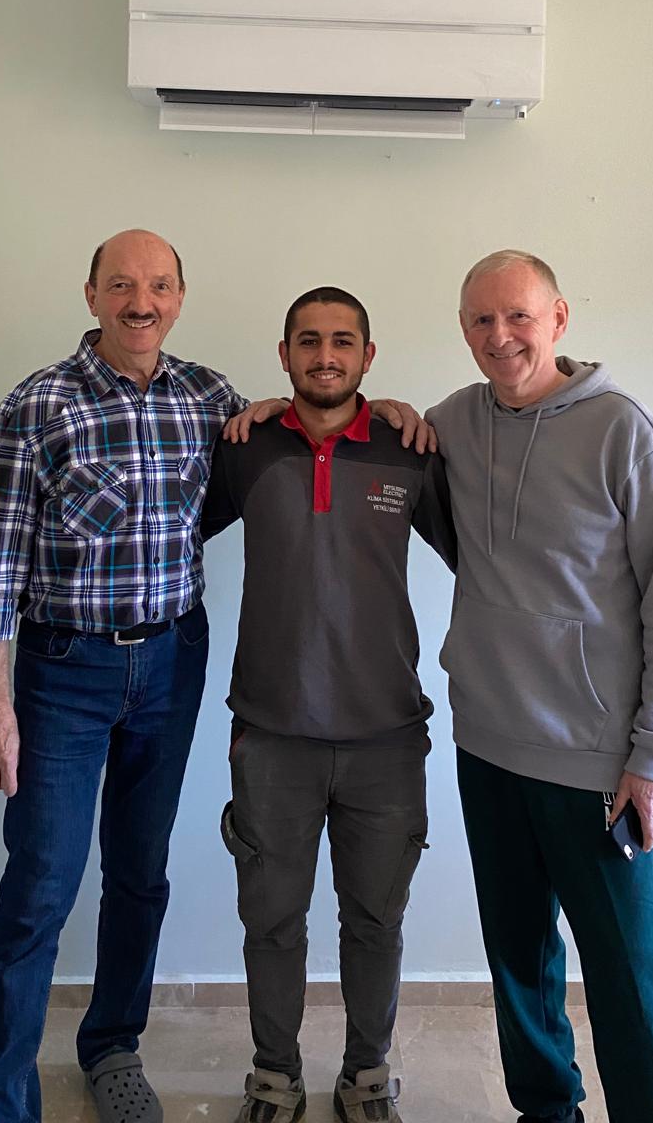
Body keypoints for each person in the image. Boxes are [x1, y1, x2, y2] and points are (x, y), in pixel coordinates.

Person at [0, 230, 427, 1123]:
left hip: (173, 663)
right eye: (122, 285)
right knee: (41, 887)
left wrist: (389, 410)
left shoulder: (211, 400)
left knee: (141, 873)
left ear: (179, 297)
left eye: (159, 286)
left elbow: (311, 425)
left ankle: (112, 1049)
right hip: (65, 669)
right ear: (91, 295)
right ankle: (3, 1105)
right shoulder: (37, 404)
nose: (141, 303)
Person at [427, 250, 653, 1123]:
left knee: (628, 971)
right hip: (488, 745)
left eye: (518, 315)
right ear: (463, 328)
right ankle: (546, 1110)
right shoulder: (453, 423)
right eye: (481, 319)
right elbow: (366, 440)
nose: (500, 335)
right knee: (518, 958)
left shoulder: (624, 432)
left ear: (558, 318)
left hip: (598, 763)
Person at [202, 287, 455, 1123]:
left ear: (367, 357)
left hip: (388, 737)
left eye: (343, 341)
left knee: (375, 922)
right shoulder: (245, 448)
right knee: (271, 923)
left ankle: (367, 1074)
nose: (325, 356)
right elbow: (167, 535)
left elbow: (485, 562)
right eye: (308, 341)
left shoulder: (408, 450)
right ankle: (274, 1075)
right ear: (284, 355)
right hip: (272, 735)